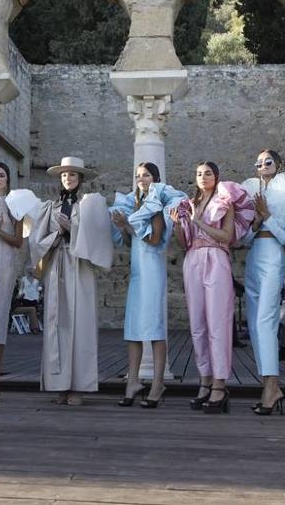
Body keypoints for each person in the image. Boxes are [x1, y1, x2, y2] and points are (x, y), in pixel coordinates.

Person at [30, 156, 112, 406]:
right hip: (58, 264)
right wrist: (58, 233)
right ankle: (60, 385)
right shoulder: (51, 207)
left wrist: (73, 229)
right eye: (64, 175)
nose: (68, 178)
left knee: (81, 324)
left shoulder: (90, 206)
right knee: (58, 324)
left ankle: (79, 386)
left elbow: (99, 238)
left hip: (80, 266)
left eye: (72, 175)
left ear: (80, 179)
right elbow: (36, 241)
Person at [172, 162, 254, 414]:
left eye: (207, 173)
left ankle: (220, 384)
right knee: (197, 324)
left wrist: (200, 223)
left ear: (216, 176)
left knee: (218, 322)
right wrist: (178, 224)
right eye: (198, 173)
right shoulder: (190, 204)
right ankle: (204, 381)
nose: (202, 177)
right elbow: (183, 243)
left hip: (216, 258)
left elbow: (227, 236)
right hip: (193, 259)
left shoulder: (225, 201)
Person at [240, 150, 285, 416]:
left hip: (272, 257)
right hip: (253, 257)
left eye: (267, 162)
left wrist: (267, 215)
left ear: (278, 164)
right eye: (258, 162)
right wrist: (257, 220)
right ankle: (267, 386)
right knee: (254, 323)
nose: (262, 166)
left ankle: (272, 386)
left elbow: (284, 237)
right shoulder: (250, 191)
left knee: (265, 322)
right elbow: (244, 239)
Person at [109, 162, 184, 409]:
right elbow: (134, 244)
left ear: (156, 178)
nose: (141, 179)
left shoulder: (156, 204)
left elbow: (153, 240)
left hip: (152, 270)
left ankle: (157, 383)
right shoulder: (135, 204)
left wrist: (128, 226)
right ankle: (133, 382)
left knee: (153, 327)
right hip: (137, 270)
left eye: (146, 175)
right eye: (138, 175)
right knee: (133, 328)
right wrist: (123, 228)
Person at [0, 162, 26, 403]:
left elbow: (19, 241)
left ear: (8, 179)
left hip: (4, 264)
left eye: (1, 175)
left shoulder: (14, 205)